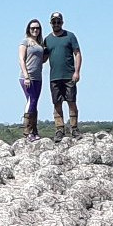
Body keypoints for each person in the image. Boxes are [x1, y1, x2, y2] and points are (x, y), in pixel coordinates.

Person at [43, 11, 82, 142]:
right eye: (54, 22)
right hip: (54, 77)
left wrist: (77, 71)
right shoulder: (47, 39)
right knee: (57, 103)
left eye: (58, 22)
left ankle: (74, 128)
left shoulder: (70, 36)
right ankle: (59, 129)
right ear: (50, 23)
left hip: (68, 75)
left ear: (62, 22)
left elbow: (77, 53)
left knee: (71, 101)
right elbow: (43, 57)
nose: (56, 24)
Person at [18, 19, 46, 142]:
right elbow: (21, 59)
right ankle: (27, 130)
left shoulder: (39, 43)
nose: (35, 30)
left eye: (37, 28)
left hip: (38, 77)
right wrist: (26, 76)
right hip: (27, 77)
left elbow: (42, 60)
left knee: (34, 102)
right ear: (28, 29)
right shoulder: (25, 42)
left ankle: (34, 130)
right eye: (32, 28)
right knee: (31, 100)